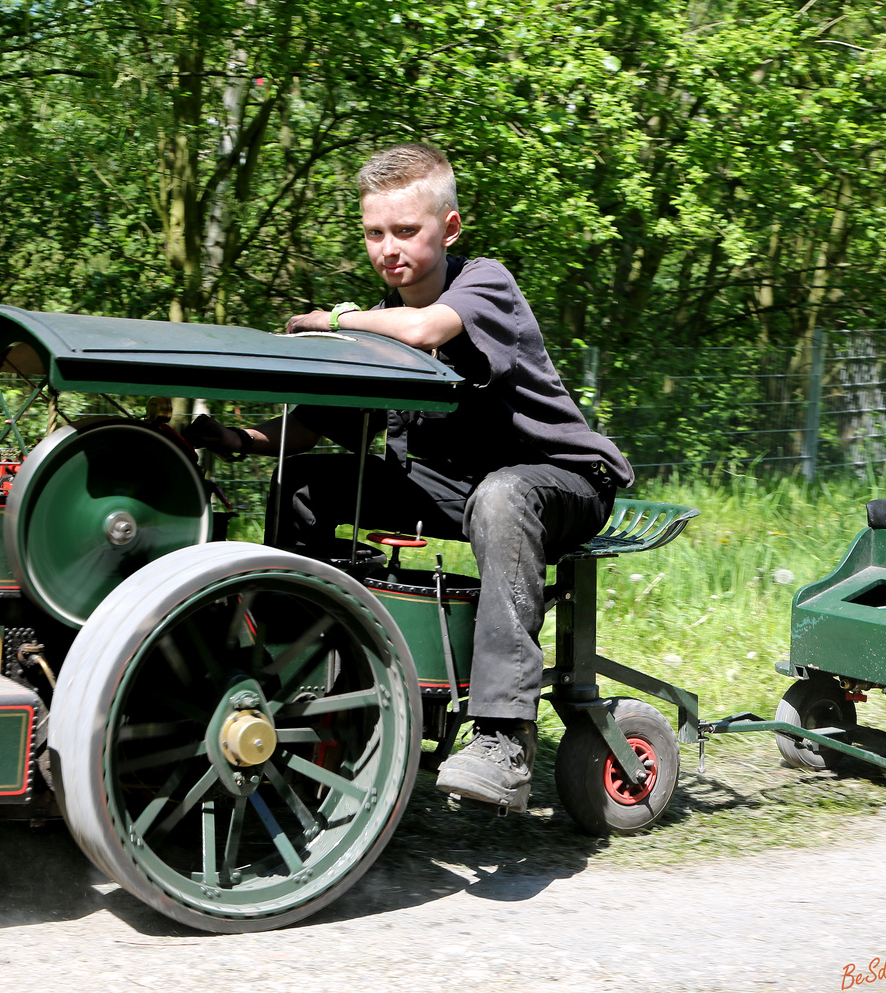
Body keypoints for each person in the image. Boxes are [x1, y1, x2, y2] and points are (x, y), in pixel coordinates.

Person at [184, 143, 633, 813]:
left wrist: (331, 322)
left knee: (504, 494)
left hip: (559, 482)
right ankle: (299, 678)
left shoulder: (484, 285)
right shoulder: (378, 321)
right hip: (459, 492)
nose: (387, 248)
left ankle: (504, 742)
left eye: (405, 231)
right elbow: (310, 426)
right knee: (306, 485)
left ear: (448, 229)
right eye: (373, 233)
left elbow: (424, 330)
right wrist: (237, 441)